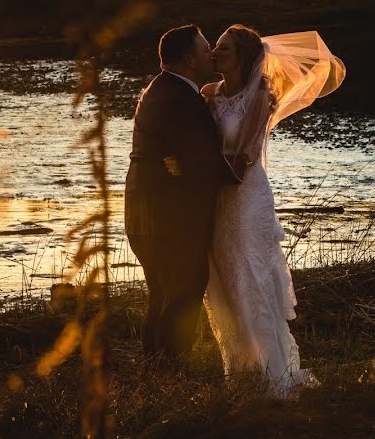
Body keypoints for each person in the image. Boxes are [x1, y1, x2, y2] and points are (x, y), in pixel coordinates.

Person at [201, 24, 345, 398]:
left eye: (224, 49)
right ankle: (242, 371)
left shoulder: (260, 96)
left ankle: (274, 377)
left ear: (243, 58)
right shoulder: (208, 94)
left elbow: (246, 152)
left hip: (245, 196)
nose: (215, 54)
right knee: (226, 282)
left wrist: (215, 174)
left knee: (253, 277)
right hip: (216, 199)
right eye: (215, 47)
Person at [124, 25, 236, 359]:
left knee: (162, 296)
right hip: (167, 219)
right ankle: (171, 370)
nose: (211, 54)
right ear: (189, 59)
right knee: (183, 293)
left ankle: (157, 371)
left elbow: (188, 157)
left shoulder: (165, 89)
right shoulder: (178, 99)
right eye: (205, 49)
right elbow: (200, 160)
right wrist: (242, 177)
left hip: (148, 214)